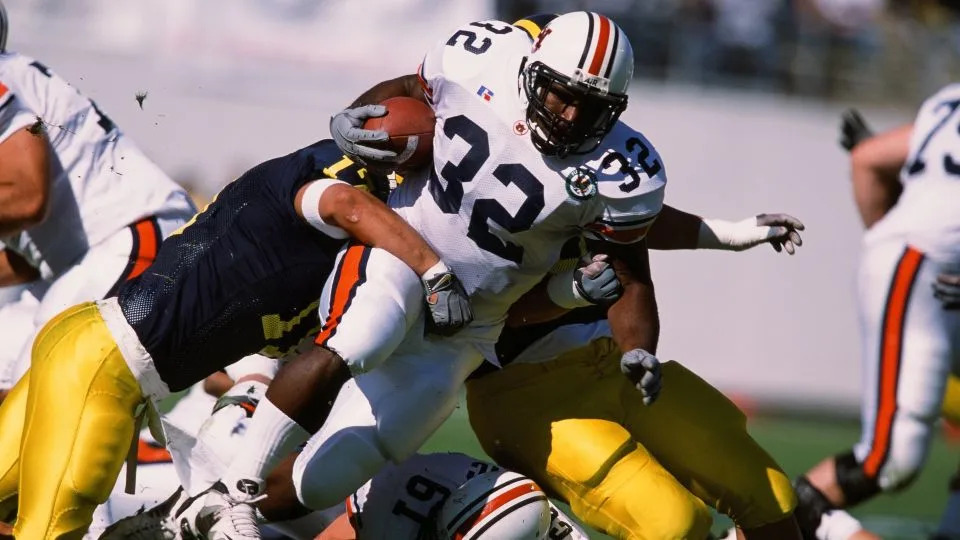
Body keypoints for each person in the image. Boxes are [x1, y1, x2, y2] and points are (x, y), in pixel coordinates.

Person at [205, 11, 805, 540]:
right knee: (361, 337)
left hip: (470, 330)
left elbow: (635, 256)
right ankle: (233, 485)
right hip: (414, 266)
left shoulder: (619, 176)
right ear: (532, 71)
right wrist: (354, 121)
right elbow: (410, 90)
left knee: (331, 472)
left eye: (589, 107)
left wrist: (713, 248)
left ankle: (218, 491)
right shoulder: (482, 57)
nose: (569, 117)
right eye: (559, 95)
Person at [0, 138, 472, 538]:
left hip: (88, 346)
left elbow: (251, 349)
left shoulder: (282, 224)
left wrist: (255, 388)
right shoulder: (319, 189)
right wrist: (433, 270)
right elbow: (344, 204)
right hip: (106, 370)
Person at [0, 0, 197, 402]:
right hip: (108, 247)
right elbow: (35, 248)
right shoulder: (16, 74)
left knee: (33, 410)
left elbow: (27, 199)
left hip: (128, 238)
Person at [792, 89, 960, 540]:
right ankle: (797, 519)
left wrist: (894, 233)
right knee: (890, 458)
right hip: (927, 272)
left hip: (921, 267)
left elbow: (868, 157)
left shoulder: (948, 100)